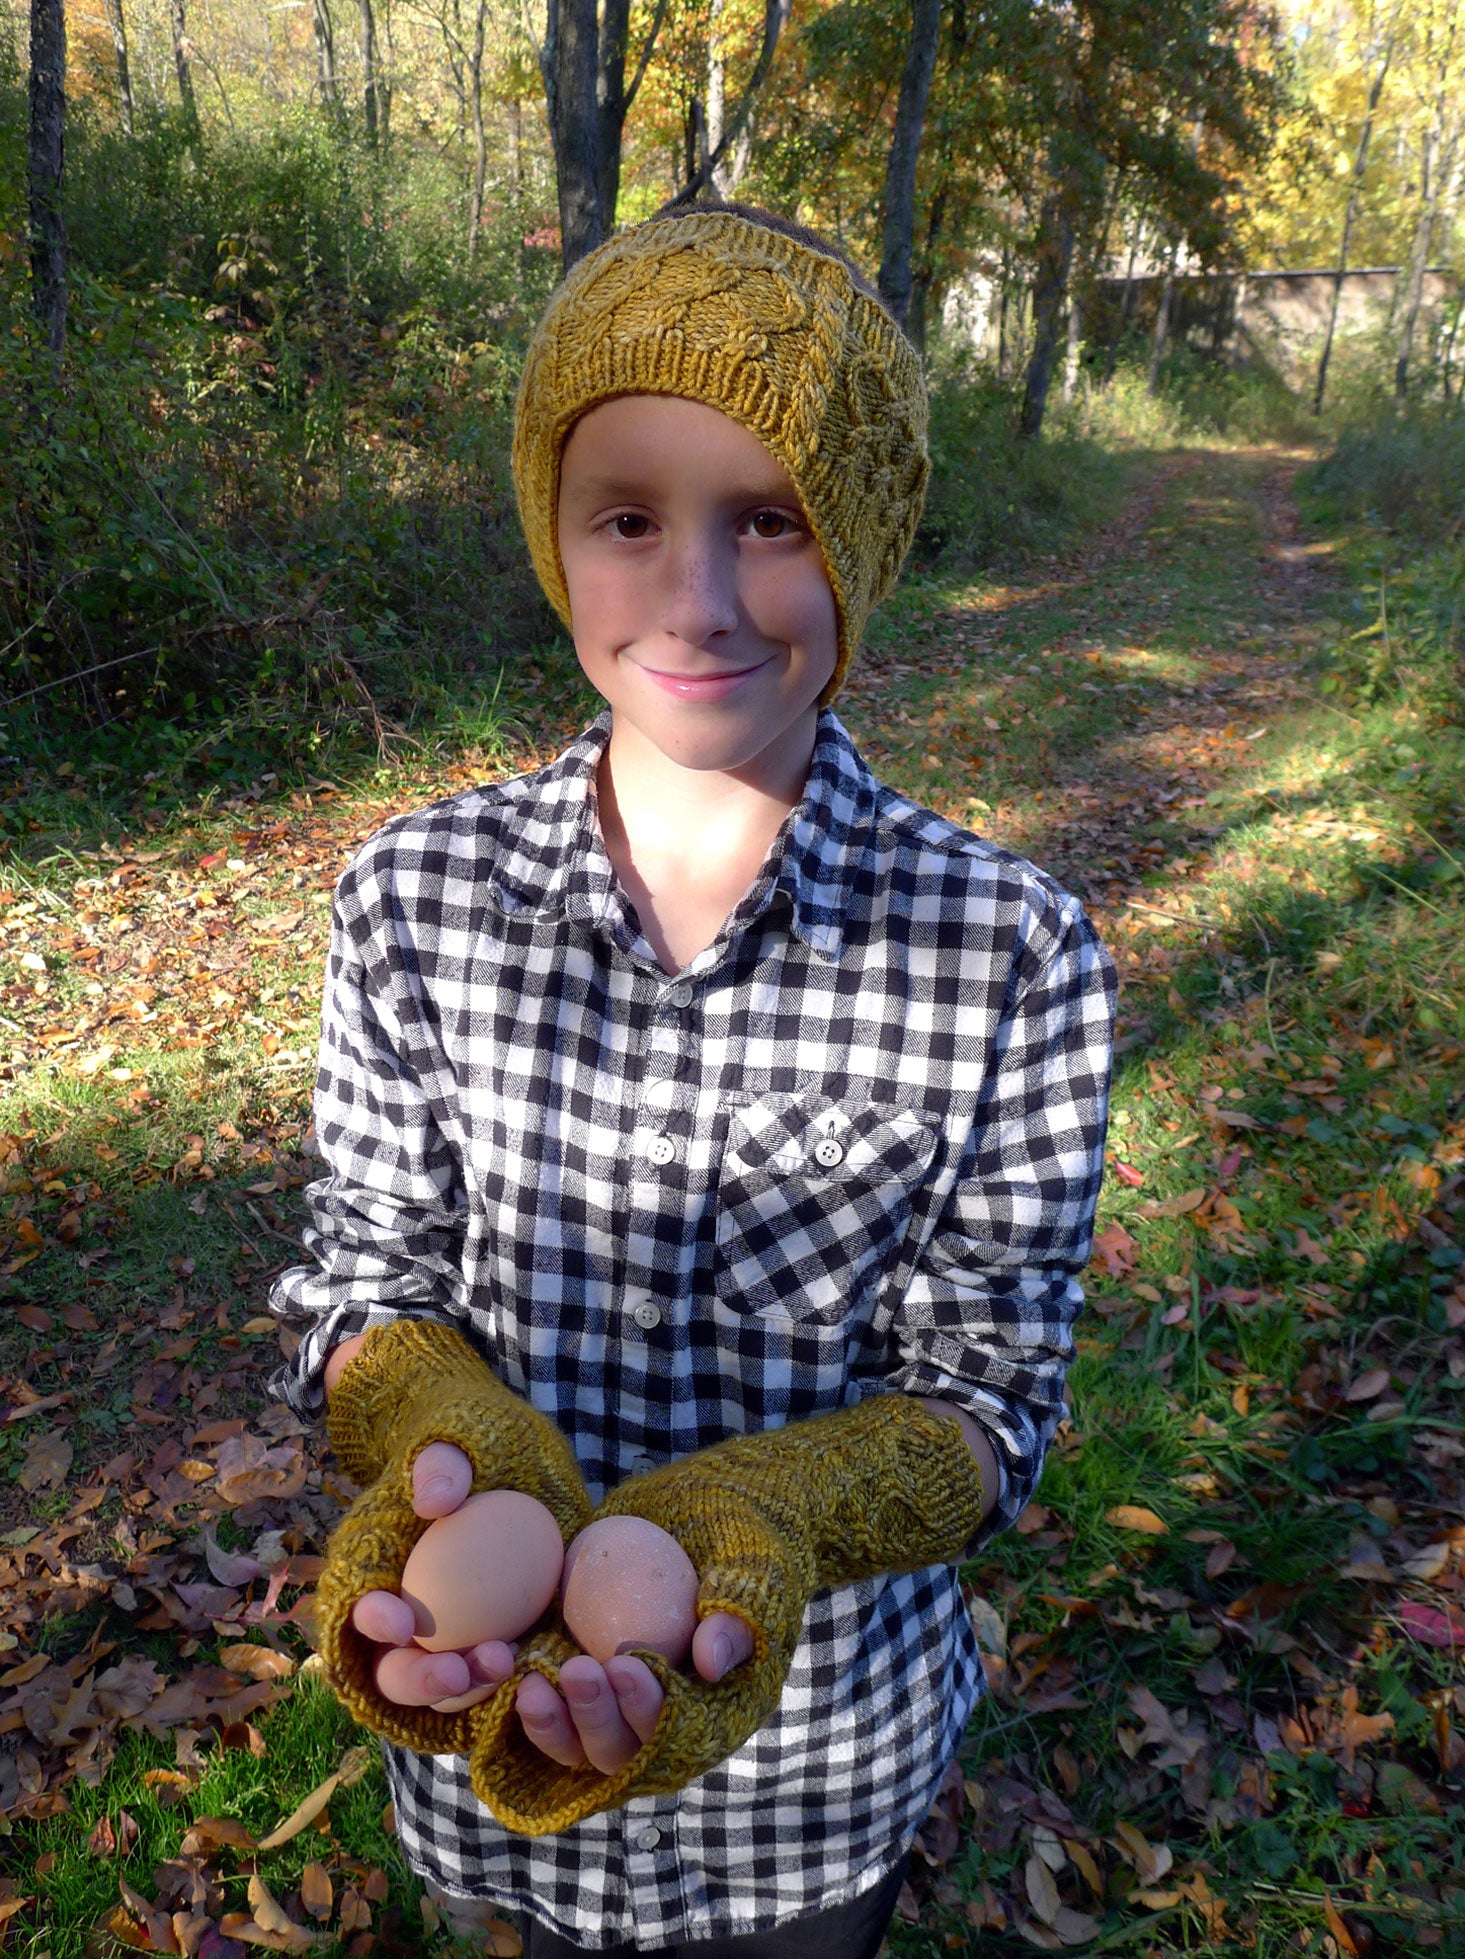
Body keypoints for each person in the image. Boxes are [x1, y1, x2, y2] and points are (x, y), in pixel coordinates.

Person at [270, 201, 1115, 1958]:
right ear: (554, 537)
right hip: (481, 1732)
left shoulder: (1010, 951)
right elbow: (363, 1273)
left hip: (807, 1789)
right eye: (631, 518)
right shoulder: (412, 901)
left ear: (859, 546)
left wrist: (778, 1515)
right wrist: (441, 1439)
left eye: (772, 521)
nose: (699, 598)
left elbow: (989, 1399)